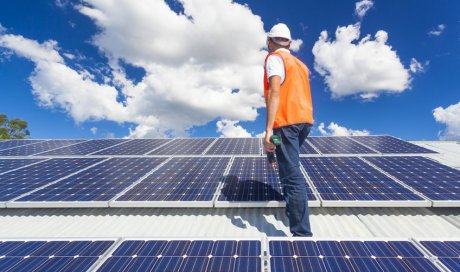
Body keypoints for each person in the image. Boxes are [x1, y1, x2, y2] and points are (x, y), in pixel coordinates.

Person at [263, 23, 314, 237]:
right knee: (286, 166)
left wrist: (268, 130)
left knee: (292, 176)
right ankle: (291, 208)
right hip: (304, 121)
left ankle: (302, 233)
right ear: (290, 43)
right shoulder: (300, 65)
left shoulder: (274, 58)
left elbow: (275, 92)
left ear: (269, 42)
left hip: (286, 121)